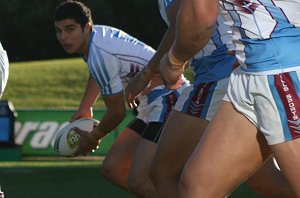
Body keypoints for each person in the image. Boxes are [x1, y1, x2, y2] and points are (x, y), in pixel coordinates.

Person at [125, 0, 295, 197]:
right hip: (247, 69)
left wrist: (169, 63)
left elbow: (198, 20)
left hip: (242, 71)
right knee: (201, 186)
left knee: (167, 174)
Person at [53, 1, 189, 196]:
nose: (64, 37)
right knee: (114, 169)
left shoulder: (99, 53)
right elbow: (97, 73)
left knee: (141, 179)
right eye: (59, 31)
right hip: (152, 105)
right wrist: (86, 107)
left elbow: (117, 113)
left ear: (86, 27)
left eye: (70, 29)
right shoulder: (96, 38)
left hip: (170, 98)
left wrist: (92, 138)